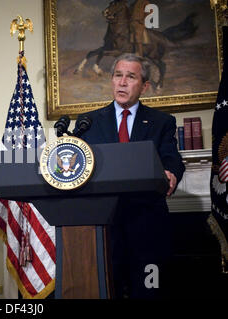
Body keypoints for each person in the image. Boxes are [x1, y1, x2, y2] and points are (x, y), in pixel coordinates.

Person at [74, 53, 185, 298]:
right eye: (118, 75)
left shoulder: (161, 122)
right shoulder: (88, 122)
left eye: (131, 77)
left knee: (148, 290)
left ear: (144, 86)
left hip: (145, 221)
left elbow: (171, 157)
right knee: (108, 289)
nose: (122, 82)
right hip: (102, 224)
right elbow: (78, 160)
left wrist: (171, 172)